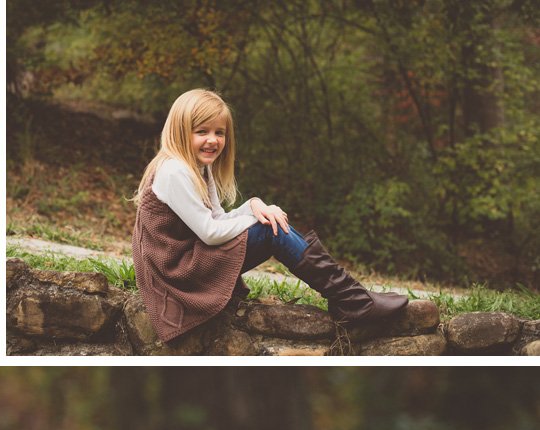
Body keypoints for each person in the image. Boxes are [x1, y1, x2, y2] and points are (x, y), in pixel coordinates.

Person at [132, 89, 409, 346]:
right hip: (176, 272)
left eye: (220, 132)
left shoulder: (199, 168)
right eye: (202, 131)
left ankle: (351, 296)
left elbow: (217, 218)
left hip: (191, 260)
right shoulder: (174, 171)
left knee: (270, 224)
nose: (213, 140)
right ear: (180, 131)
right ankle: (351, 299)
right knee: (270, 230)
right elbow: (210, 232)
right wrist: (259, 221)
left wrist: (254, 206)